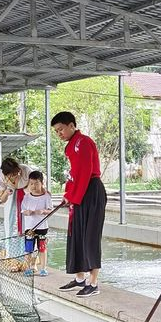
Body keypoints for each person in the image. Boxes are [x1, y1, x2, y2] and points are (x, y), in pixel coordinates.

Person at [51, 111, 107, 297]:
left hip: (91, 191)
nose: (59, 133)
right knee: (76, 234)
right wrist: (68, 194)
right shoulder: (71, 145)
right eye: (56, 131)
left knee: (90, 237)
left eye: (61, 129)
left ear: (72, 126)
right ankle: (80, 278)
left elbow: (84, 173)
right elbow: (73, 175)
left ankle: (93, 283)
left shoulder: (83, 142)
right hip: (79, 193)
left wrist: (73, 196)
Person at [21, 169, 52, 276]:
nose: (33, 186)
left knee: (42, 248)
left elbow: (50, 210)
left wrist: (43, 211)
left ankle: (43, 268)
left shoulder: (46, 196)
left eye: (36, 183)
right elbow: (23, 210)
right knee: (28, 248)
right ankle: (28, 268)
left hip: (42, 227)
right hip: (29, 228)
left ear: (42, 183)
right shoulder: (27, 197)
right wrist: (27, 212)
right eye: (31, 183)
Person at [0, 157, 30, 242]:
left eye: (17, 172)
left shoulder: (26, 170)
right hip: (10, 198)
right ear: (6, 175)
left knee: (26, 223)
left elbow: (35, 186)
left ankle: (25, 248)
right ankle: (10, 247)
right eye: (12, 174)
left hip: (26, 196)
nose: (16, 175)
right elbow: (1, 199)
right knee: (10, 222)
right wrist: (6, 193)